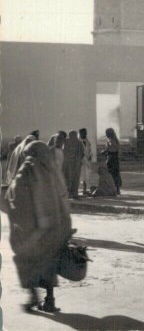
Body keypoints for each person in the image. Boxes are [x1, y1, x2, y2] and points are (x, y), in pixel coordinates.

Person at [6, 141, 73, 313]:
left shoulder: (28, 168)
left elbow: (16, 195)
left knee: (23, 259)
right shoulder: (53, 170)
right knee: (49, 263)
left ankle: (32, 295)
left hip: (36, 229)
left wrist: (8, 194)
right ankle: (49, 300)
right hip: (55, 228)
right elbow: (63, 198)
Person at [62, 130, 85, 199]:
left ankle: (70, 194)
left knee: (69, 179)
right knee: (74, 179)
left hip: (69, 164)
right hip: (75, 164)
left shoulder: (66, 142)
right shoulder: (78, 142)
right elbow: (82, 154)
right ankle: (74, 194)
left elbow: (63, 152)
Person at [100, 128, 122, 195]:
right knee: (116, 173)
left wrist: (103, 152)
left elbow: (109, 149)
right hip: (114, 158)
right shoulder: (115, 140)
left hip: (111, 158)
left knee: (112, 174)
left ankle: (115, 189)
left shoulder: (111, 141)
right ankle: (117, 189)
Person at [78, 128, 94, 195]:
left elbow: (89, 150)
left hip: (87, 161)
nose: (85, 134)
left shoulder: (87, 142)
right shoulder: (78, 142)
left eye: (85, 133)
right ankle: (81, 190)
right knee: (81, 176)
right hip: (81, 162)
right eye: (83, 133)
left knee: (87, 176)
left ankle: (85, 189)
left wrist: (90, 156)